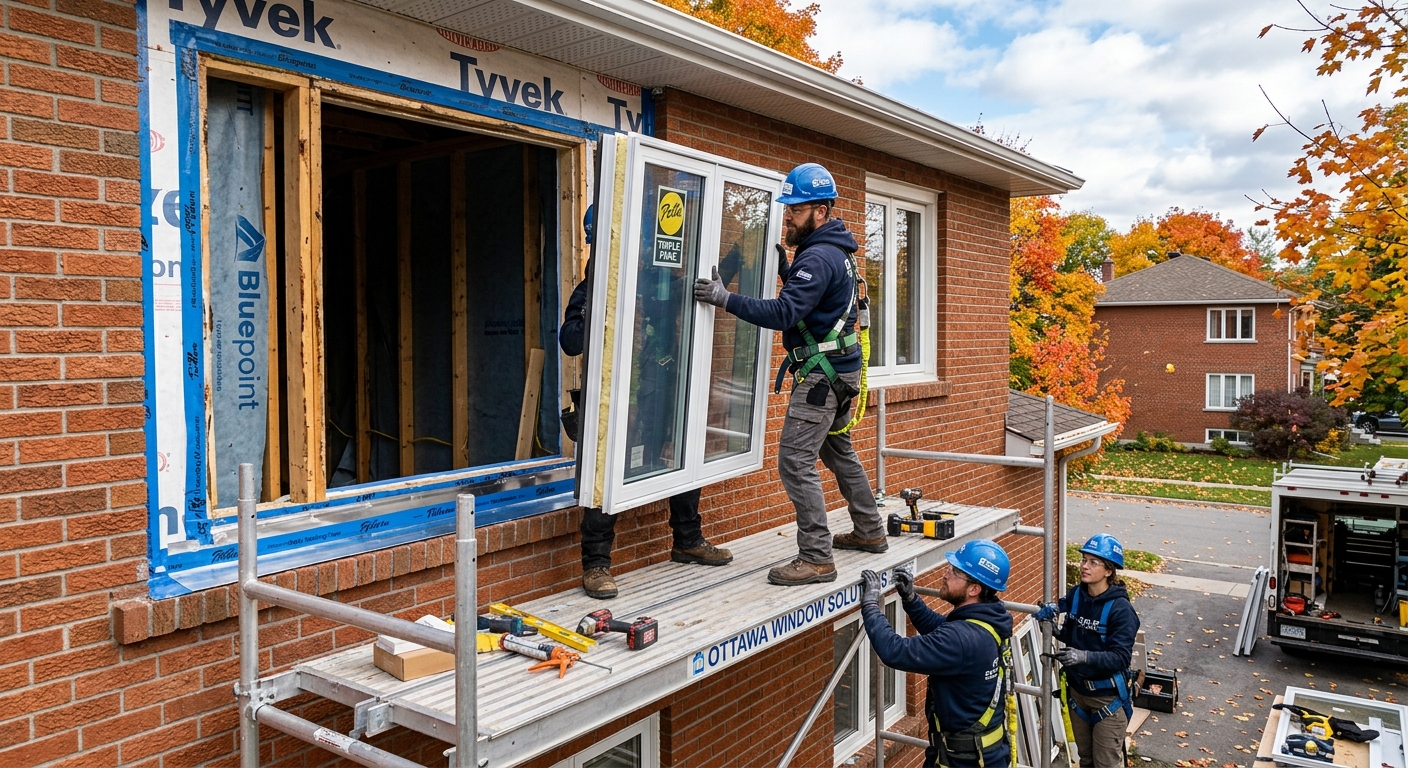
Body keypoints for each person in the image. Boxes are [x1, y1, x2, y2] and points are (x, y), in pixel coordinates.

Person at [693, 163, 886, 586]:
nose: (787, 218)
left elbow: (785, 313)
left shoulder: (818, 256)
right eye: (787, 210)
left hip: (822, 378)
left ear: (820, 211)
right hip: (840, 371)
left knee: (795, 461)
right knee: (838, 452)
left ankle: (817, 558)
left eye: (795, 211)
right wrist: (786, 271)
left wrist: (725, 298)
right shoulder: (835, 251)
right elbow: (816, 303)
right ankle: (870, 530)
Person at [561, 206, 733, 600]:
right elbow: (569, 341)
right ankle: (596, 564)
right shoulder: (593, 287)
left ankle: (688, 540)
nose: (633, 252)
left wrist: (735, 261)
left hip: (657, 391)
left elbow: (686, 297)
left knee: (681, 452)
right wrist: (599, 313)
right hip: (613, 399)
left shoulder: (655, 282)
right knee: (606, 469)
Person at [859, 540, 1014, 768]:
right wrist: (911, 599)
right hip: (978, 753)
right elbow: (940, 629)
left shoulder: (961, 639)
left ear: (974, 589)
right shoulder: (988, 621)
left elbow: (894, 651)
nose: (945, 574)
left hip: (964, 761)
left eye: (954, 572)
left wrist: (871, 606)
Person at [1034, 533, 1140, 768]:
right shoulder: (1077, 596)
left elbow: (1120, 658)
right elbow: (1075, 634)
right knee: (1086, 760)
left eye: (1093, 562)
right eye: (1084, 560)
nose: (1084, 566)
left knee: (1105, 764)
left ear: (1109, 570)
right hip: (1078, 694)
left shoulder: (1121, 610)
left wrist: (1083, 657)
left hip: (1107, 698)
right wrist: (1054, 629)